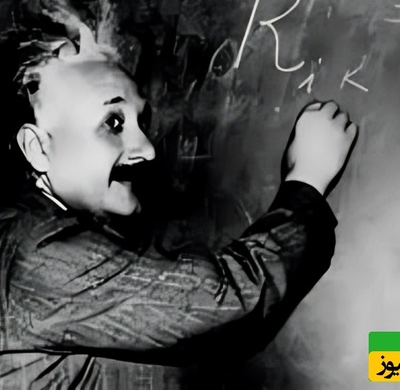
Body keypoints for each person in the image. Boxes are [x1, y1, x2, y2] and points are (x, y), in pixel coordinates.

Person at [0, 23, 357, 389]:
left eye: (142, 121)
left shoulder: (48, 235)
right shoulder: (38, 258)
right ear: (38, 148)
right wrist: (307, 181)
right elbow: (229, 304)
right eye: (114, 123)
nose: (147, 149)